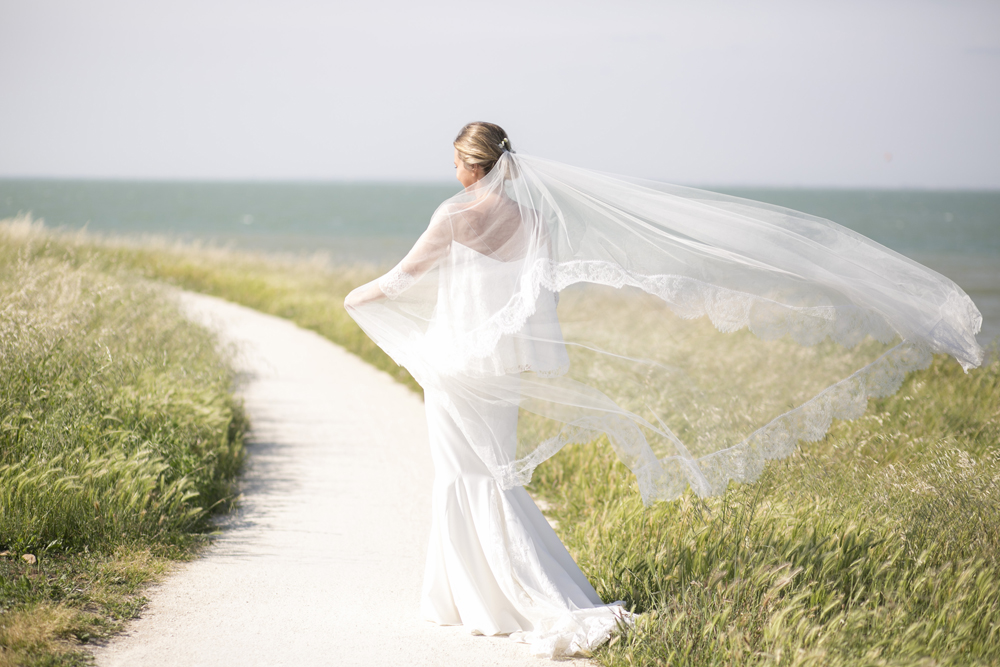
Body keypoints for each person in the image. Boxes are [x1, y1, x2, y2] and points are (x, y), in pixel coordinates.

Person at [345, 122, 983, 659]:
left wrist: (355, 297)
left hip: (459, 368)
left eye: (457, 159)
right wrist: (537, 359)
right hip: (504, 372)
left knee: (464, 474)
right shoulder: (533, 218)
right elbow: (537, 300)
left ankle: (498, 599)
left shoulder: (452, 215)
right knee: (496, 474)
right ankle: (485, 595)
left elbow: (402, 279)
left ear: (467, 163)